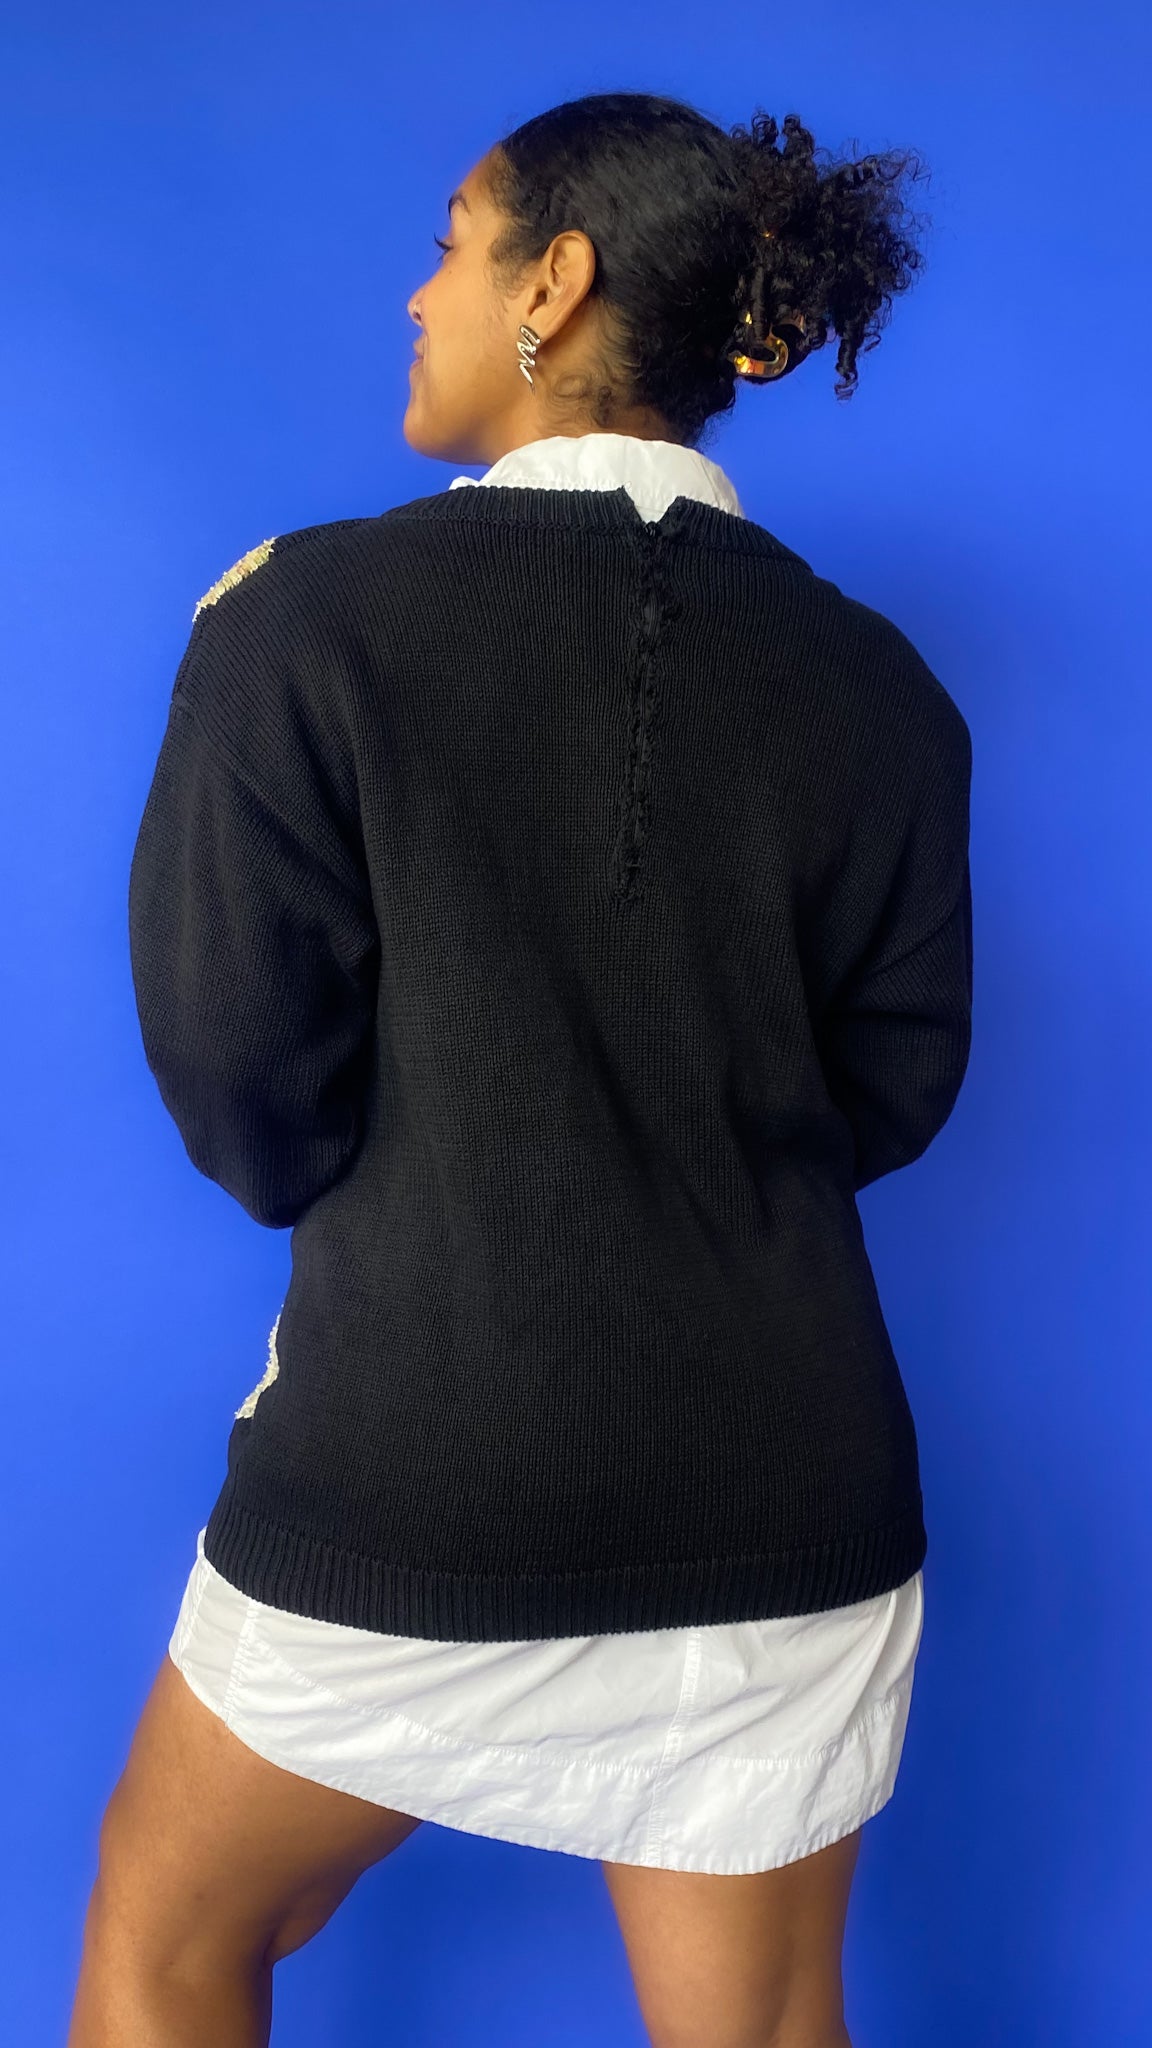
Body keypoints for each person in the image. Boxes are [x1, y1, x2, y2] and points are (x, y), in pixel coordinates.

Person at [69, 92, 973, 2048]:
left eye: (447, 245)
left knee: (165, 1942)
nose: (419, 296)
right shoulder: (884, 687)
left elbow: (246, 1094)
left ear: (551, 281)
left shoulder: (297, 623)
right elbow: (895, 1089)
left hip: (419, 1464)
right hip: (787, 1482)